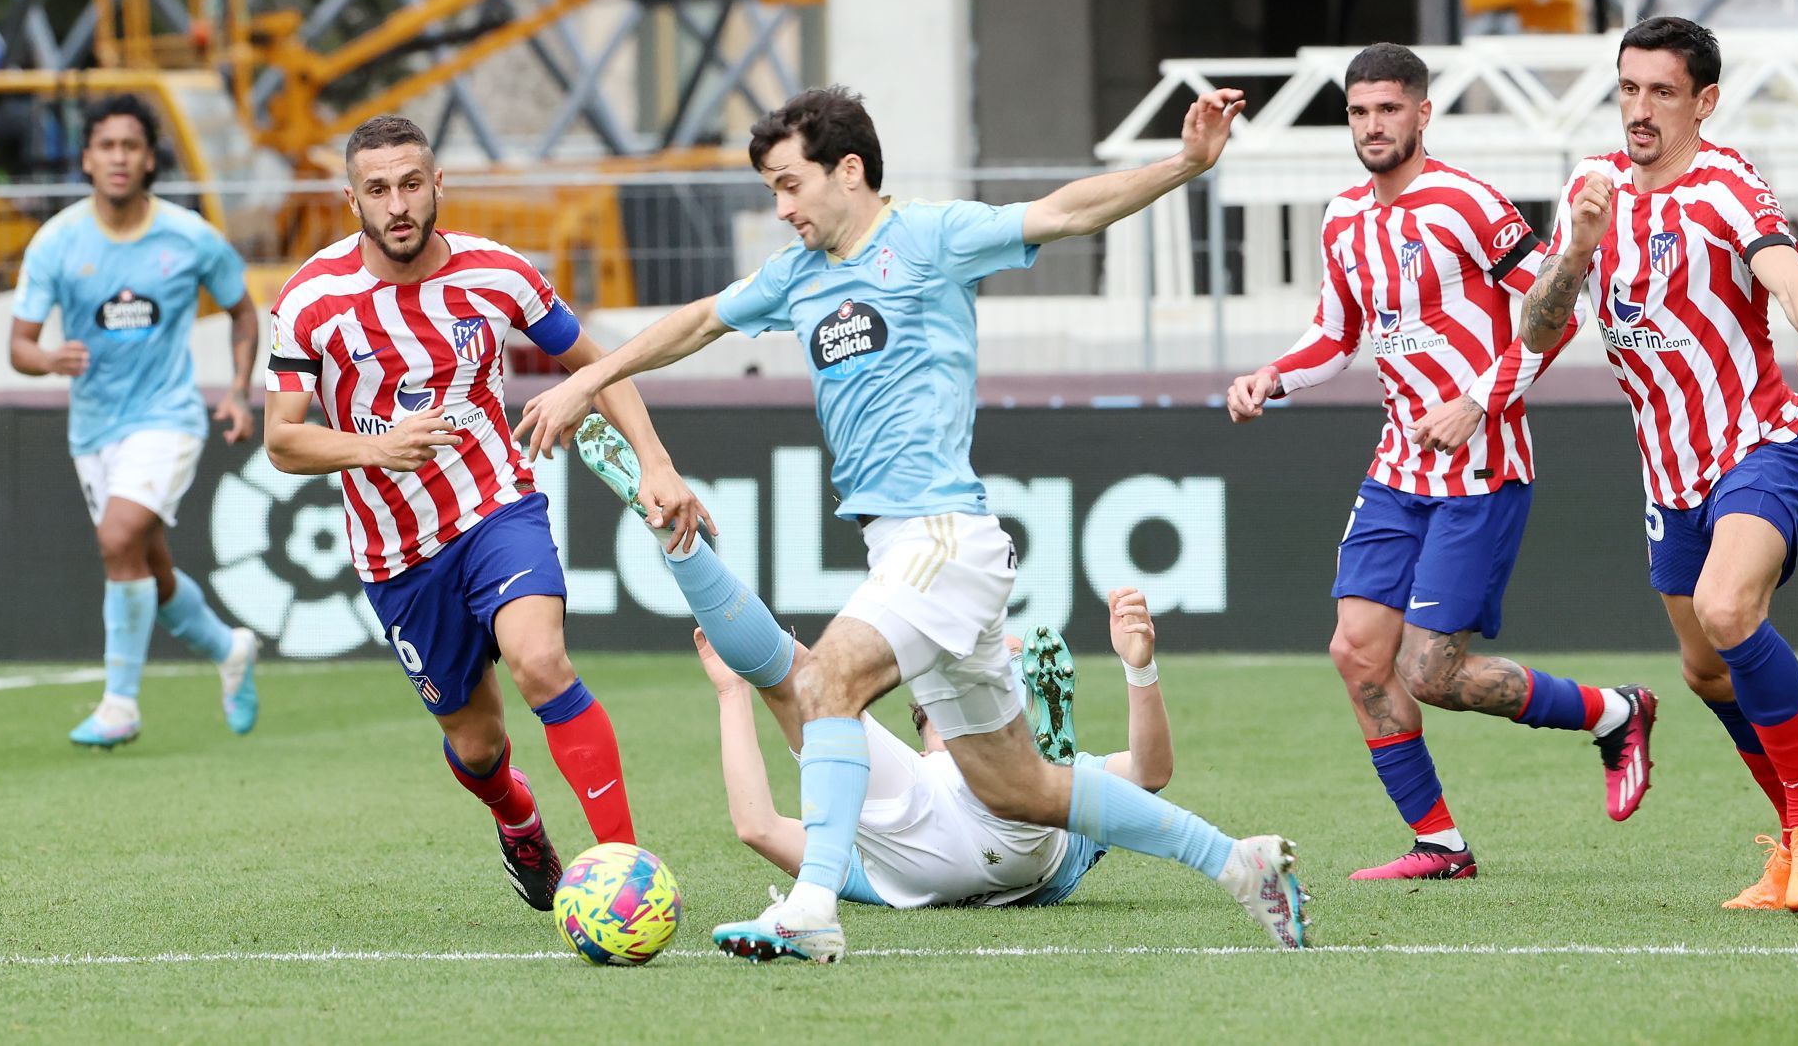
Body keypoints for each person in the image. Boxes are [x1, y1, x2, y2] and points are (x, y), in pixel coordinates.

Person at [519, 84, 1307, 960]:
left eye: (789, 186)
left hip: (942, 536)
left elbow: (1063, 212)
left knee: (826, 683)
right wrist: (588, 379)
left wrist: (1186, 164)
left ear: (847, 171)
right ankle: (1238, 863)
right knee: (1021, 790)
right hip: (905, 547)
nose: (780, 209)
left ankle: (812, 905)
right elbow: (700, 322)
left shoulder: (931, 238)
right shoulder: (797, 277)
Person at [1224, 44, 1656, 881]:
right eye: (1359, 112)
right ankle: (1441, 845)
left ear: (1423, 114)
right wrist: (1273, 375)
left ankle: (1614, 712)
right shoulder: (1344, 217)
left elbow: (1557, 312)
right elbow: (1337, 336)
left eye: (1389, 109)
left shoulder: (1465, 202)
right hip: (1397, 470)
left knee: (1431, 671)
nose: (1373, 126)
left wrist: (1480, 400)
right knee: (1356, 653)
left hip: (1484, 469)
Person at [261, 115, 712, 912]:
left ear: (438, 185)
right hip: (395, 554)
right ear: (350, 200)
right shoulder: (310, 298)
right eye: (377, 190)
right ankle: (519, 821)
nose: (397, 205)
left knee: (542, 663)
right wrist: (376, 449)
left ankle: (623, 875)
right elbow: (282, 440)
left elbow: (598, 364)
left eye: (410, 184)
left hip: (495, 507)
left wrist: (656, 460)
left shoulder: (499, 274)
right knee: (477, 745)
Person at [1521, 17, 1798, 912]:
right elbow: (1539, 324)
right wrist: (1579, 248)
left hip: (1759, 442)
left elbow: (1788, 274)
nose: (1640, 110)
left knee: (1726, 608)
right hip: (1667, 474)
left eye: (1662, 93)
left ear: (1703, 102)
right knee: (1704, 669)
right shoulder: (1590, 189)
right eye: (1629, 89)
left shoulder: (1725, 183)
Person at [570, 413, 1152, 910]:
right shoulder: (1022, 762)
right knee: (1033, 791)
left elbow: (759, 826)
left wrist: (735, 694)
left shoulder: (875, 800)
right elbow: (1151, 774)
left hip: (922, 857)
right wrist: (1139, 673)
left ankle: (682, 545)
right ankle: (1039, 770)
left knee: (795, 678)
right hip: (1025, 846)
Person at [9, 93, 262, 748]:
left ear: (149, 160)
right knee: (147, 561)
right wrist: (46, 358)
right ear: (88, 159)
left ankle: (119, 704)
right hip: (93, 430)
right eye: (106, 146)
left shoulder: (190, 237)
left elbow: (242, 309)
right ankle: (230, 650)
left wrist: (238, 391)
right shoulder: (57, 243)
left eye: (131, 146)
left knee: (119, 539)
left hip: (168, 417)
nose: (118, 157)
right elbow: (20, 345)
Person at [695, 592, 1170, 911]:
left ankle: (1030, 774)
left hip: (1002, 840)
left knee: (1035, 786)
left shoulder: (871, 842)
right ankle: (1031, 771)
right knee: (808, 683)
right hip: (979, 831)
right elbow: (758, 828)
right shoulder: (905, 793)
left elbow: (1149, 772)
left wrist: (1140, 668)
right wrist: (731, 691)